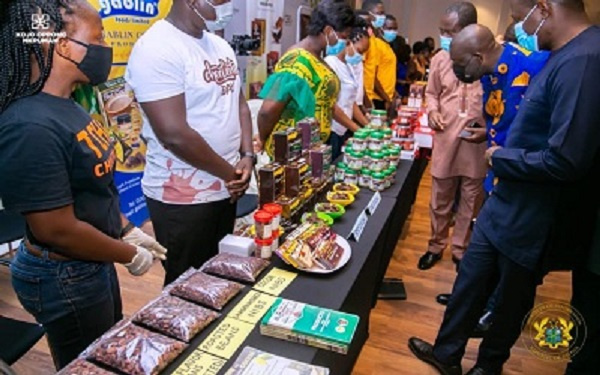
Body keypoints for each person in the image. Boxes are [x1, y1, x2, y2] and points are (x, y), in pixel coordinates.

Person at [409, 0, 600, 374]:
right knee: (470, 280)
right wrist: (496, 145)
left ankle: (488, 366)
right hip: (505, 201)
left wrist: (500, 157)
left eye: (518, 18)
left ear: (543, 8)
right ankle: (447, 354)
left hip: (533, 215)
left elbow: (566, 159)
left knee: (510, 301)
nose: (520, 29)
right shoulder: (562, 54)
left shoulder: (585, 60)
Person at [0, 0, 166, 369]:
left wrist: (125, 230)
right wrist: (127, 254)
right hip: (63, 274)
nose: (106, 47)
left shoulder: (70, 105)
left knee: (108, 349)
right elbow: (55, 229)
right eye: (98, 37)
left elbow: (93, 187)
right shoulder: (30, 126)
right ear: (63, 45)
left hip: (93, 260)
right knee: (89, 365)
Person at [126, 0, 253, 285]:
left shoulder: (219, 46)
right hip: (181, 197)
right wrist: (229, 173)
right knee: (186, 284)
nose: (228, 7)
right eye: (222, 0)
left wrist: (248, 155)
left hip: (226, 186)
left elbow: (239, 104)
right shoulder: (157, 48)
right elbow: (174, 134)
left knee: (217, 274)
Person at [436, 22, 550, 332]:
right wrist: (487, 134)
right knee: (482, 253)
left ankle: (491, 314)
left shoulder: (536, 65)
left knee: (507, 260)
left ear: (476, 55)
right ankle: (473, 303)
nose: (458, 70)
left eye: (460, 64)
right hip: (497, 176)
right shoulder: (490, 74)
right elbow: (503, 118)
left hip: (525, 182)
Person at [417, 2, 486, 272]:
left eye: (450, 31)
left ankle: (461, 250)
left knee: (471, 201)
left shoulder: (488, 60)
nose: (444, 36)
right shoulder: (439, 59)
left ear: (468, 30)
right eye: (441, 31)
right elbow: (431, 93)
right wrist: (432, 110)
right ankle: (435, 246)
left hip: (475, 144)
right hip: (445, 139)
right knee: (440, 201)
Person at [257, 1, 355, 156]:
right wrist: (262, 139)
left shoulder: (317, 58)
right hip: (290, 153)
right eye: (344, 37)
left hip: (311, 150)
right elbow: (267, 111)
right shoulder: (296, 61)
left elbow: (325, 102)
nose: (346, 43)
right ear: (329, 31)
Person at [325, 21, 371, 160]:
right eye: (360, 51)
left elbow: (351, 102)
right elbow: (332, 106)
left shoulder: (348, 66)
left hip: (343, 129)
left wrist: (367, 126)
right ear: (348, 43)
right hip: (331, 129)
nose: (361, 56)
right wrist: (356, 129)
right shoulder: (330, 64)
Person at [360, 1, 397, 111]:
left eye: (383, 13)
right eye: (379, 13)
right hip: (367, 98)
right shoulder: (363, 39)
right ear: (369, 14)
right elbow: (361, 71)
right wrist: (385, 99)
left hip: (370, 97)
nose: (382, 17)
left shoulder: (372, 39)